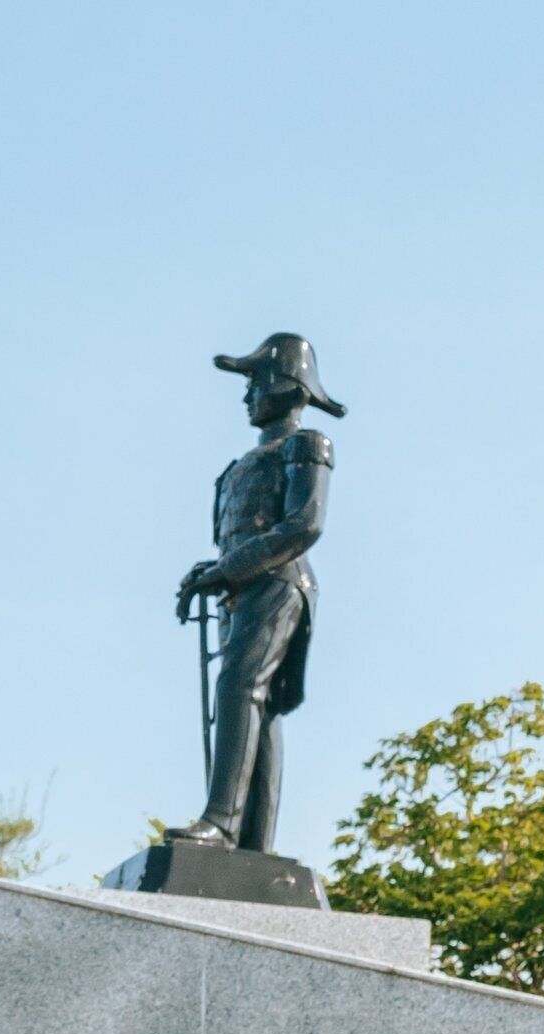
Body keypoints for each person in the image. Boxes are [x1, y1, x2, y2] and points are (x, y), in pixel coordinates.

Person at [173, 333, 344, 851]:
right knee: (256, 703)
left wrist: (232, 568)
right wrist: (216, 569)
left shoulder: (306, 444)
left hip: (277, 580)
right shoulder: (241, 464)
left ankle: (222, 822)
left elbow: (304, 525)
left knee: (239, 689)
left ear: (288, 387)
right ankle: (251, 844)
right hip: (245, 584)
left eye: (256, 382)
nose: (247, 395)